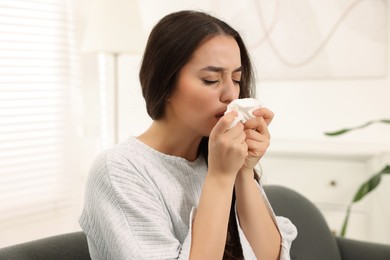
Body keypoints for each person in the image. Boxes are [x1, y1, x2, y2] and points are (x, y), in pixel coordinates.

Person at [79, 10, 297, 260]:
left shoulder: (220, 156)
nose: (231, 94)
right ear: (165, 84)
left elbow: (270, 257)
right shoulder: (118, 171)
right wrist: (220, 177)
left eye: (236, 78)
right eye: (210, 79)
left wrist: (244, 172)